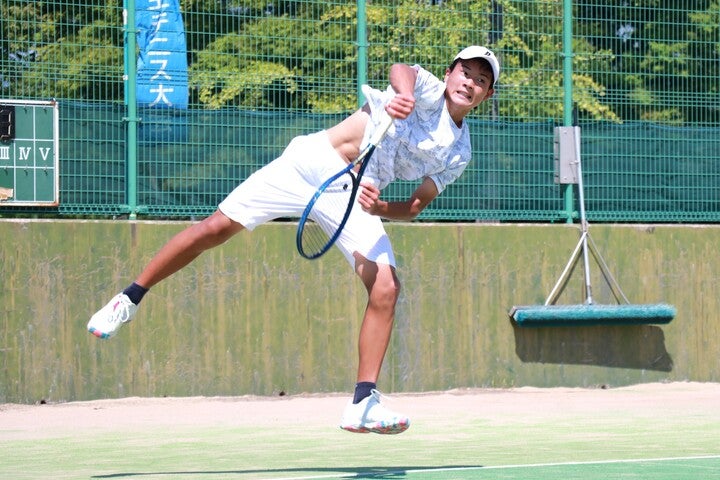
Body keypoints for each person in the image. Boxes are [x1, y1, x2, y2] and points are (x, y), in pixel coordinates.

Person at [88, 45, 500, 435]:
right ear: (450, 73)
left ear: (486, 95)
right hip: (312, 161)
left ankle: (362, 402)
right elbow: (401, 71)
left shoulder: (458, 152)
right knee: (214, 228)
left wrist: (380, 209)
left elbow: (414, 206)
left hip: (357, 193)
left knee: (387, 286)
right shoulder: (425, 88)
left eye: (481, 80)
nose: (470, 82)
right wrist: (404, 95)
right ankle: (128, 299)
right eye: (466, 71)